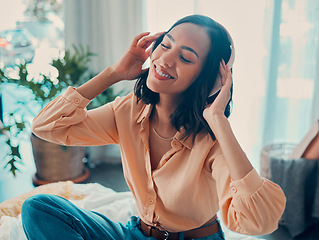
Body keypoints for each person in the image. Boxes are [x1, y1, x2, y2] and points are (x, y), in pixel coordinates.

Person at [21, 14, 286, 240]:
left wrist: (218, 118)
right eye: (166, 45)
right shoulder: (129, 110)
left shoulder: (213, 143)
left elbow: (259, 221)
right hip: (135, 232)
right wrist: (114, 73)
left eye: (186, 58)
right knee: (39, 208)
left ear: (210, 78)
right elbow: (46, 127)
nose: (166, 60)